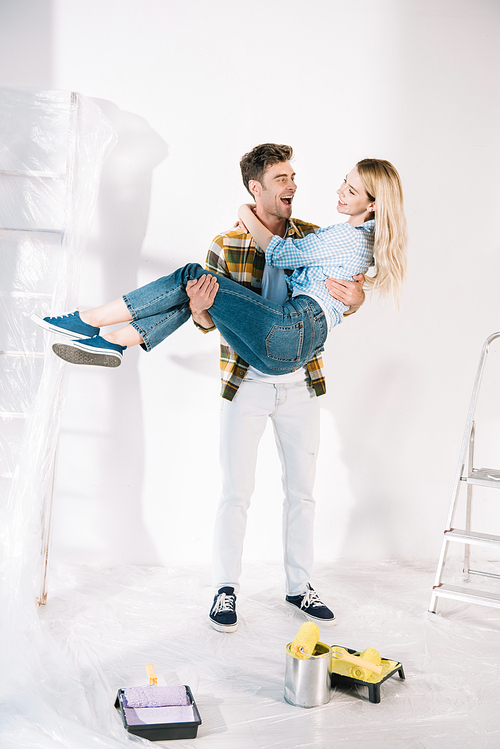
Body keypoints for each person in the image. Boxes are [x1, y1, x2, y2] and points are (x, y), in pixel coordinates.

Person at [32, 150, 407, 630]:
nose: (294, 185)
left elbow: (333, 292)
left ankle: (300, 586)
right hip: (247, 379)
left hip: (298, 379)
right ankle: (225, 589)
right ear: (258, 188)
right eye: (281, 178)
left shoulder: (317, 235)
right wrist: (202, 308)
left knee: (302, 493)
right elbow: (207, 320)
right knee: (237, 492)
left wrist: (356, 299)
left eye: (294, 177)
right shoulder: (226, 245)